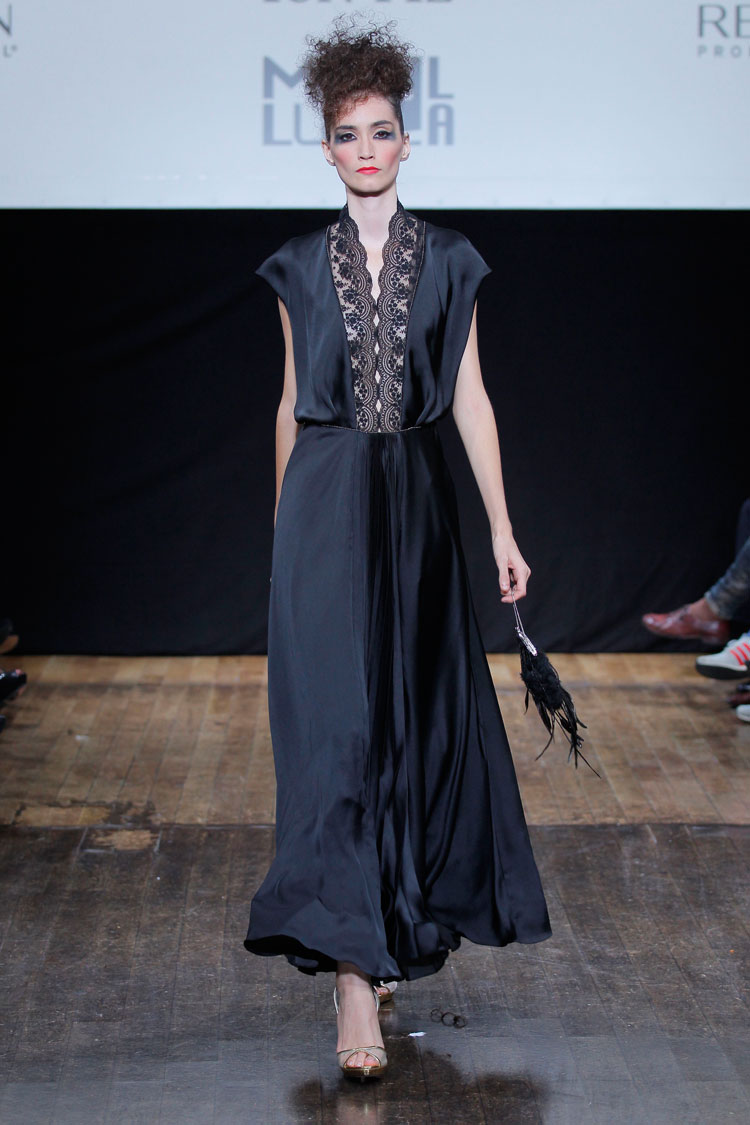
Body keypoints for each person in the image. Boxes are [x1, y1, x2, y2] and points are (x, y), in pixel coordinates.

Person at [244, 19, 551, 1081]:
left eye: (382, 131)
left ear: (408, 141)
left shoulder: (452, 261)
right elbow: (290, 405)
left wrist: (501, 526)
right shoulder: (297, 266)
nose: (366, 149)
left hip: (417, 511)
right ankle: (350, 983)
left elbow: (470, 398)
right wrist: (283, 537)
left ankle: (385, 934)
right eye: (347, 133)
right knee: (336, 742)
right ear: (326, 147)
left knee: (411, 735)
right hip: (324, 510)